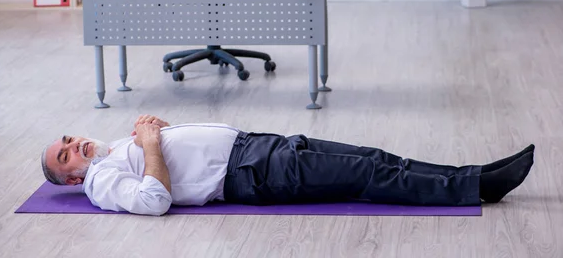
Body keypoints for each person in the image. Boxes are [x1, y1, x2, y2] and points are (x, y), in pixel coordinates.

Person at [41, 114, 534, 216]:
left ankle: (474, 175)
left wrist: (161, 133)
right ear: (72, 179)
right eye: (65, 156)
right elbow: (153, 200)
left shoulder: (107, 151)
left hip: (258, 147)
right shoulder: (101, 181)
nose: (73, 146)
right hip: (253, 172)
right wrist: (151, 143)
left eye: (68, 139)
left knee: (376, 159)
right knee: (368, 175)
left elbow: (166, 160)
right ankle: (476, 187)